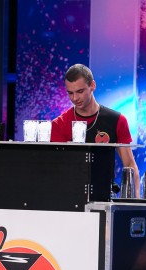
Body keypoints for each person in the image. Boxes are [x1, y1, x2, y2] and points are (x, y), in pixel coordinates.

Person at [51, 64, 140, 196]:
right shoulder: (60, 124)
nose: (75, 98)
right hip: (69, 195)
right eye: (70, 93)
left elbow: (130, 165)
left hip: (105, 195)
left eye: (80, 91)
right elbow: (56, 169)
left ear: (92, 85)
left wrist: (135, 202)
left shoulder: (117, 120)